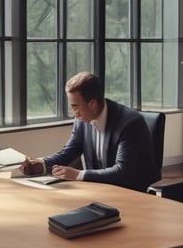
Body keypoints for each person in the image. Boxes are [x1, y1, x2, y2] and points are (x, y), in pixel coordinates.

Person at [19, 72, 160, 192]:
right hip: (100, 190)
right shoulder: (81, 120)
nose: (73, 112)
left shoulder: (129, 123)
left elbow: (122, 172)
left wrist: (79, 175)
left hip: (133, 192)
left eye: (75, 106)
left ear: (92, 104)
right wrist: (41, 164)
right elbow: (68, 153)